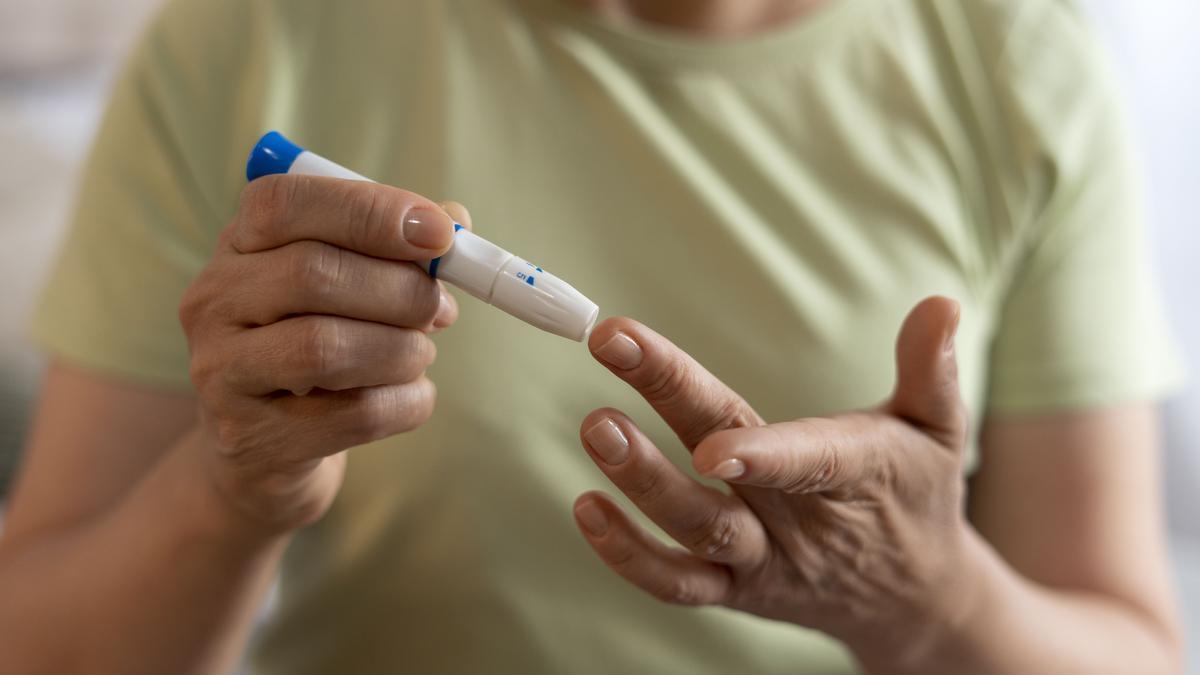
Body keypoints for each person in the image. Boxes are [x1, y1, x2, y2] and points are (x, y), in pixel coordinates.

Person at [0, 0, 1185, 672]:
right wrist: (233, 491)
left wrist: (932, 604)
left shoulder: (1013, 63)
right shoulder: (251, 39)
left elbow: (1128, 641)